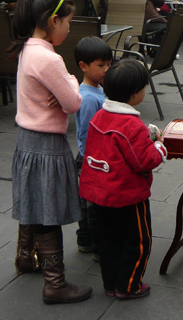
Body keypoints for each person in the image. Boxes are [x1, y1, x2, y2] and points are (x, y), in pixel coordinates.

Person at [9, 0, 92, 304]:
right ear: (53, 20)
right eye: (68, 22)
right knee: (50, 211)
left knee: (34, 200)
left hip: (26, 140)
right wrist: (72, 79)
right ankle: (54, 284)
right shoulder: (48, 58)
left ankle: (25, 257)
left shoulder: (28, 48)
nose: (70, 28)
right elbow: (73, 102)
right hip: (46, 144)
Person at [79, 60, 168, 300]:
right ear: (134, 94)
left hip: (100, 193)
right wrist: (160, 146)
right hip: (127, 195)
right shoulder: (131, 125)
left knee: (108, 241)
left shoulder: (100, 115)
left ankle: (111, 284)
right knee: (138, 241)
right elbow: (145, 161)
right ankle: (129, 285)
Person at [74, 36, 113, 258]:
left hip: (95, 157)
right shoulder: (88, 98)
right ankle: (91, 243)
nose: (107, 69)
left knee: (90, 203)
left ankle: (89, 240)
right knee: (90, 205)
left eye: (109, 64)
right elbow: (87, 134)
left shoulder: (98, 89)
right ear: (84, 66)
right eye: (101, 65)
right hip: (90, 158)